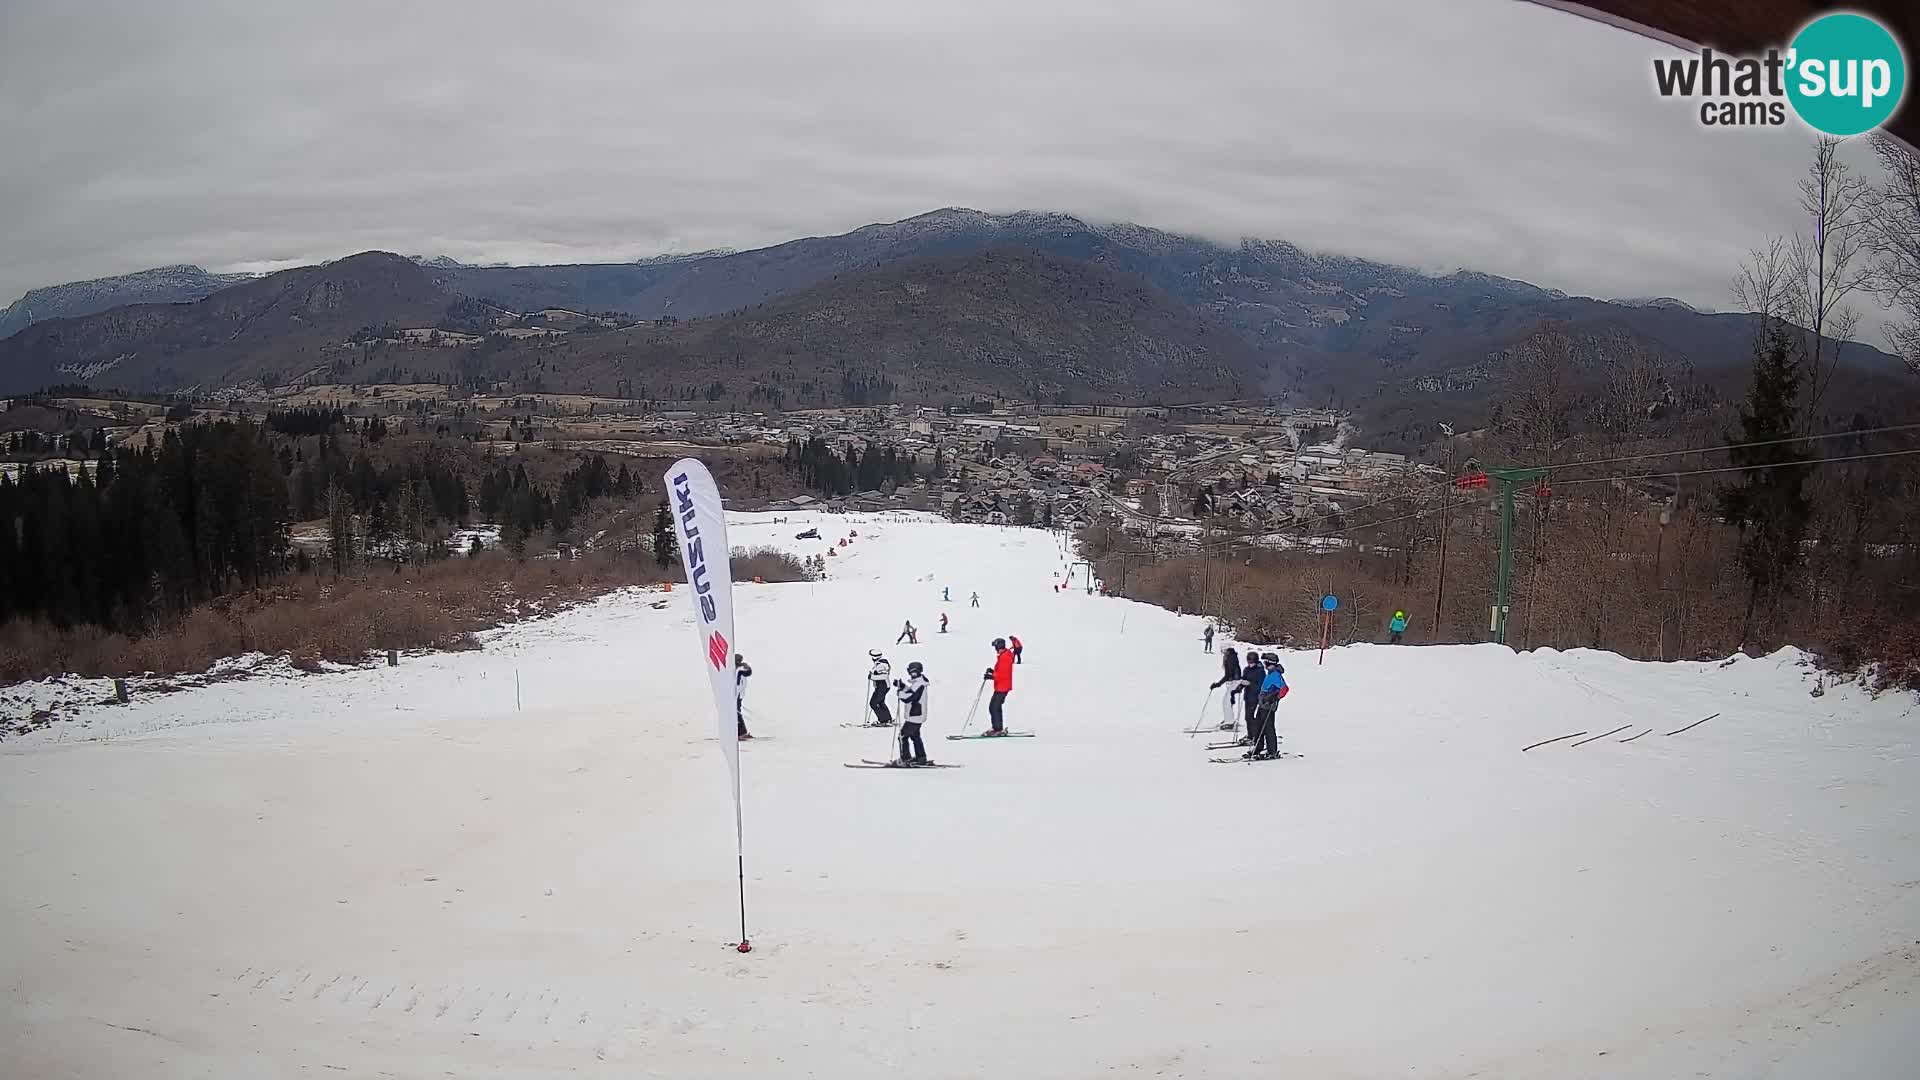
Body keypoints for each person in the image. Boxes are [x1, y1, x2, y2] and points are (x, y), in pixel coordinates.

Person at [1248, 652, 1288, 760]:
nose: (1264, 665)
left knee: (1268, 728)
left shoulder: (1275, 675)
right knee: (1258, 726)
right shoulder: (1270, 673)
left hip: (1269, 705)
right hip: (1263, 704)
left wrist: (1274, 697)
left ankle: (1272, 751)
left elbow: (1284, 689)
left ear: (1270, 664)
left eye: (1265, 662)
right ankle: (1258, 747)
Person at [893, 661, 930, 765]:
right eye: (911, 672)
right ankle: (921, 758)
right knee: (915, 737)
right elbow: (911, 692)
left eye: (915, 672)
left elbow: (909, 698)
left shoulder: (919, 684)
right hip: (916, 714)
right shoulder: (918, 682)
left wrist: (900, 693)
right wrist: (902, 686)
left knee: (902, 736)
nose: (912, 674)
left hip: (915, 715)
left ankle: (905, 758)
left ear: (919, 671)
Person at [982, 638, 1015, 735]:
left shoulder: (1005, 657)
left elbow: (1003, 674)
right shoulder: (1004, 655)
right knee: (995, 707)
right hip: (1001, 686)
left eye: (995, 646)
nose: (995, 649)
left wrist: (992, 676)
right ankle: (997, 727)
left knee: (994, 707)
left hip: (1002, 686)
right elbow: (1001, 671)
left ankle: (997, 729)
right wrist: (993, 672)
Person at [1209, 646, 1241, 731]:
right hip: (1233, 681)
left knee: (1226, 701)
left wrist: (1218, 684)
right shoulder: (1231, 657)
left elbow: (1229, 674)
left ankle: (1229, 723)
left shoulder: (1230, 658)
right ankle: (1228, 719)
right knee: (1228, 701)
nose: (1222, 651)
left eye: (1224, 650)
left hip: (1234, 681)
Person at [1237, 650, 1265, 744]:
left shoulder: (1260, 671)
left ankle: (1254, 736)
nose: (1250, 664)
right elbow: (1244, 679)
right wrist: (1240, 686)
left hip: (1256, 697)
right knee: (1247, 717)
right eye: (1249, 662)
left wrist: (1249, 684)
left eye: (1252, 662)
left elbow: (1260, 686)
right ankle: (1250, 735)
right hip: (1248, 697)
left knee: (1251, 718)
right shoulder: (1247, 669)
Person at [867, 650, 894, 726]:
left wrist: (872, 677)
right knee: (880, 702)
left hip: (883, 686)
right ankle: (887, 719)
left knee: (874, 703)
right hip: (881, 686)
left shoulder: (882, 665)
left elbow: (884, 676)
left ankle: (883, 720)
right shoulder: (879, 663)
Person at [735, 653, 753, 739]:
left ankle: (742, 732)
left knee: (736, 712)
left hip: (738, 695)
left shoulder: (741, 668)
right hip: (732, 695)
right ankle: (739, 732)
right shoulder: (732, 669)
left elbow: (748, 672)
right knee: (734, 712)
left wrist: (746, 666)